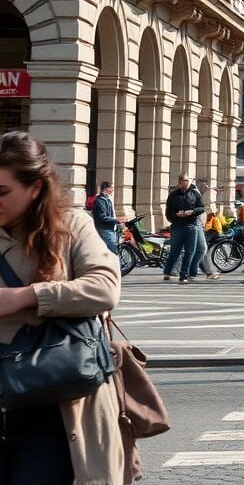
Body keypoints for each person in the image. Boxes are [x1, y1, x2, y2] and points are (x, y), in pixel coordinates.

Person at [0, 131, 124, 483]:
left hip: (58, 409)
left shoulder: (71, 226)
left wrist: (28, 297)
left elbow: (105, 289)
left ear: (36, 188)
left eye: (3, 192)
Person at [163, 173, 206, 284]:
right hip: (177, 226)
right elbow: (168, 213)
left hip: (191, 226)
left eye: (188, 180)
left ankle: (184, 275)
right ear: (180, 182)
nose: (186, 183)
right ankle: (168, 271)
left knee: (190, 252)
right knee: (175, 251)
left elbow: (202, 208)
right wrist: (177, 215)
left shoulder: (194, 193)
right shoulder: (173, 195)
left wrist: (192, 212)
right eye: (184, 180)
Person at [90, 180, 120, 253]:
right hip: (104, 229)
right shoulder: (100, 200)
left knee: (110, 250)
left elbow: (111, 214)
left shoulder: (107, 199)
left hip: (110, 228)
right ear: (105, 189)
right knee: (113, 250)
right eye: (111, 188)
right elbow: (102, 217)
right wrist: (116, 220)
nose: (112, 190)